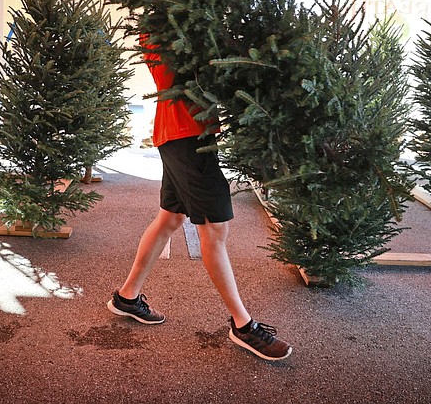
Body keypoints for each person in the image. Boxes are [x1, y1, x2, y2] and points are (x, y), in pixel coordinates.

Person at [107, 40, 292, 362]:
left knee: (170, 218)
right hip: (185, 136)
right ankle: (243, 326)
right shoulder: (164, 30)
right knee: (214, 228)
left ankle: (127, 297)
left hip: (187, 134)